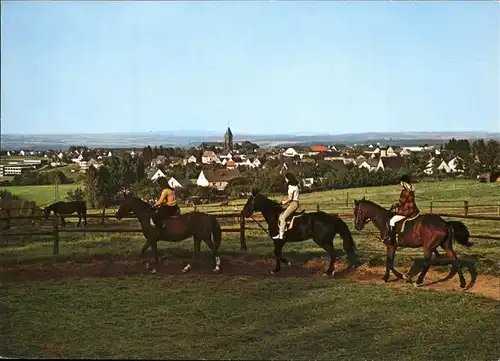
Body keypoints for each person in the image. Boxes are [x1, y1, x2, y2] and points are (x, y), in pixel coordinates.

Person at [386, 174, 420, 245]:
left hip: (406, 211)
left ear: (404, 182)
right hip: (413, 210)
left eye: (401, 182)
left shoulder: (405, 191)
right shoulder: (411, 190)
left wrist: (394, 205)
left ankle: (391, 239)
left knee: (392, 221)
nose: (400, 184)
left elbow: (402, 202)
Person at [272, 172, 300, 240]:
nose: (285, 180)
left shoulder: (290, 187)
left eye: (286, 178)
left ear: (288, 179)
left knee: (283, 218)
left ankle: (281, 235)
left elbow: (290, 198)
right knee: (281, 216)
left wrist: (284, 202)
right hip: (294, 203)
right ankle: (283, 230)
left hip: (293, 204)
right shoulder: (296, 186)